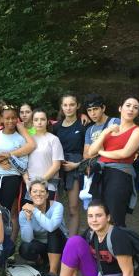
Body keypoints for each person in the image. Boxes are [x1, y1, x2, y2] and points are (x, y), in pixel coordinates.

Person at [42, 200, 139, 276]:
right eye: (90, 216)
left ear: (108, 217)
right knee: (74, 241)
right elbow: (76, 253)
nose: (94, 220)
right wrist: (72, 274)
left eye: (99, 215)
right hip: (98, 273)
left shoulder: (117, 236)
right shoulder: (91, 232)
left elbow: (128, 271)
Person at [87, 96, 139, 227]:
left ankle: (117, 246)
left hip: (120, 174)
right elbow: (91, 151)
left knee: (115, 216)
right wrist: (105, 132)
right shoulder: (110, 129)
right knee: (97, 216)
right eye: (128, 105)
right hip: (101, 174)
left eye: (135, 107)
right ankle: (99, 247)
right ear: (120, 108)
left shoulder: (138, 131)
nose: (131, 109)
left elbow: (125, 153)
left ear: (137, 112)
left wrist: (101, 152)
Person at [19, 180, 67, 276]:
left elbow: (51, 227)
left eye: (42, 191)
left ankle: (52, 274)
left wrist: (35, 211)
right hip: (42, 246)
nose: (38, 194)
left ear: (47, 194)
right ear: (30, 195)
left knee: (53, 231)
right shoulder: (23, 212)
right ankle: (43, 263)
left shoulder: (57, 206)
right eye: (34, 191)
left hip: (60, 244)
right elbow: (27, 239)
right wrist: (28, 219)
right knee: (24, 248)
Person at [0, 105, 32, 211]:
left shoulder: (21, 139)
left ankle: (6, 228)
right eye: (7, 118)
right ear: (1, 119)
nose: (10, 121)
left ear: (17, 119)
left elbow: (23, 166)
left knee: (6, 209)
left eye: (13, 118)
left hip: (11, 178)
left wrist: (10, 157)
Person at [53, 93, 87, 236]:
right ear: (61, 107)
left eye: (72, 104)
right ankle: (58, 240)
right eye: (65, 105)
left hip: (75, 168)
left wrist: (77, 165)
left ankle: (73, 241)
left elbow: (89, 151)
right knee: (55, 206)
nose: (68, 108)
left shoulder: (83, 124)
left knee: (73, 206)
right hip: (58, 168)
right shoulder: (56, 127)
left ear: (77, 106)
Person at [23, 108, 64, 200]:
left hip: (48, 184)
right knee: (31, 213)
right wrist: (27, 180)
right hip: (30, 185)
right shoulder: (28, 140)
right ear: (32, 122)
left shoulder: (53, 139)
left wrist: (39, 182)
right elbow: (22, 163)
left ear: (47, 121)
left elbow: (56, 166)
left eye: (42, 119)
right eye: (36, 120)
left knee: (47, 213)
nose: (39, 122)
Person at [83, 94, 120, 159]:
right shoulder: (90, 130)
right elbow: (86, 155)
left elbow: (118, 148)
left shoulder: (115, 122)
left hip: (113, 165)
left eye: (95, 109)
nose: (92, 113)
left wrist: (94, 151)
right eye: (89, 110)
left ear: (103, 108)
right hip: (96, 167)